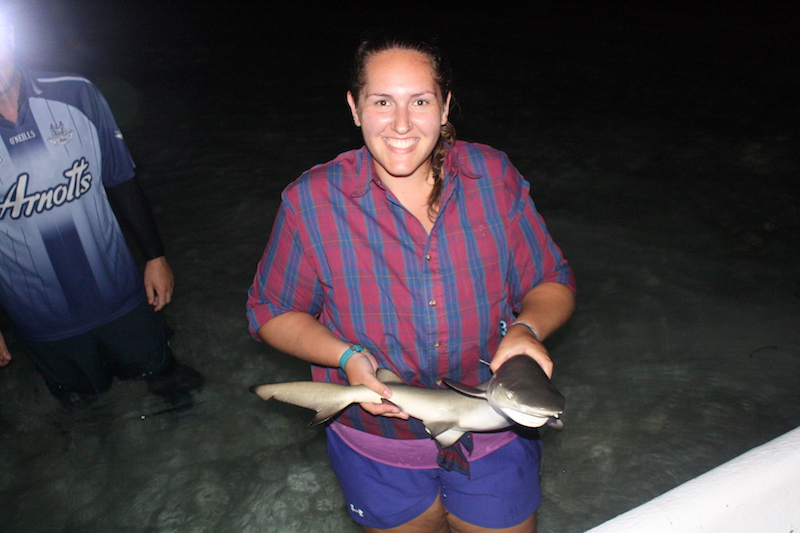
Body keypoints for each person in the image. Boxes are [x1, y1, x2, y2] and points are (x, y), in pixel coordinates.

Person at [247, 30, 576, 533]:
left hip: (495, 428)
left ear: (444, 107)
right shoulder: (311, 202)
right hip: (376, 438)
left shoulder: (493, 176)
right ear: (355, 108)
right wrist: (347, 357)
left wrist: (527, 328)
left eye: (420, 101)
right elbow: (271, 311)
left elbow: (550, 280)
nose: (401, 124)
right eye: (382, 102)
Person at [0, 15, 202, 405]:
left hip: (119, 292)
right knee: (84, 410)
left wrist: (155, 256)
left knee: (170, 383)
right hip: (39, 316)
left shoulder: (75, 93)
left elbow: (120, 179)